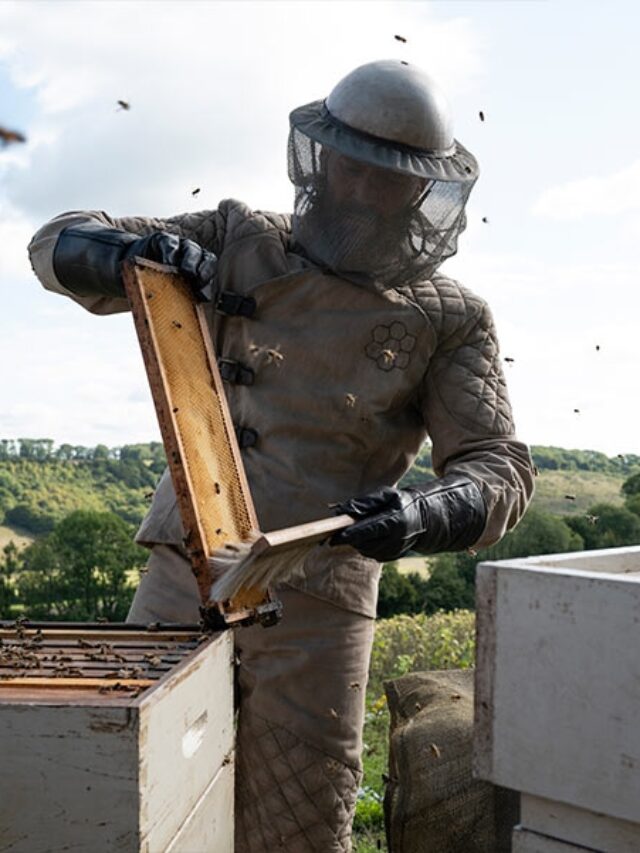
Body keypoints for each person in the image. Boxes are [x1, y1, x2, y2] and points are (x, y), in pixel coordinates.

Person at [28, 60, 535, 852]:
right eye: (355, 168)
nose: (366, 192)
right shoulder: (237, 238)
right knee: (128, 796)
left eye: (388, 179)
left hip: (318, 598)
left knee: (297, 821)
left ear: (420, 191)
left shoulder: (451, 317)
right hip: (184, 566)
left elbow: (498, 465)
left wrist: (416, 514)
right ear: (322, 159)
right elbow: (53, 240)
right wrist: (133, 254)